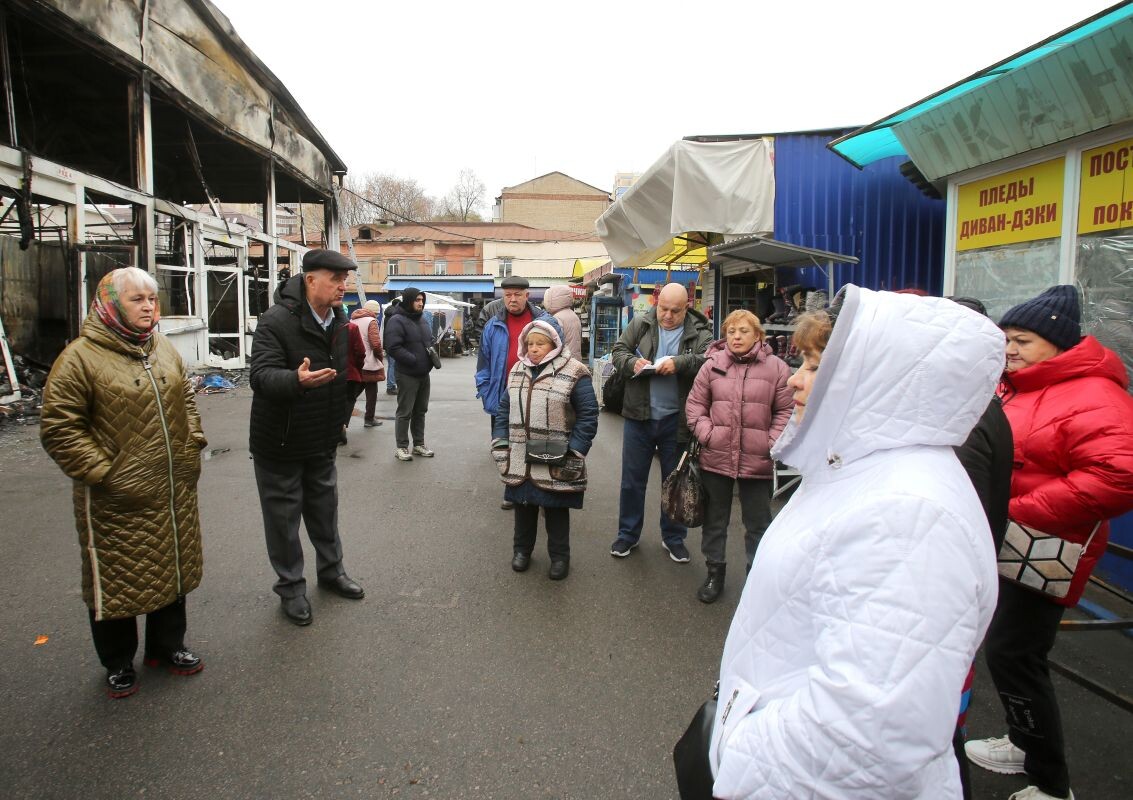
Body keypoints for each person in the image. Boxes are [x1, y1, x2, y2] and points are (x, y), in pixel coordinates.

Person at [709, 286, 1005, 798]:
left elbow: (868, 739)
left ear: (876, 378)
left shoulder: (909, 514)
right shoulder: (864, 468)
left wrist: (738, 760)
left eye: (814, 365)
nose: (796, 380)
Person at [965, 285, 1133, 800]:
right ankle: (1024, 744)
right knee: (1006, 651)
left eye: (1023, 340)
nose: (1010, 349)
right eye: (1006, 339)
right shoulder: (1019, 384)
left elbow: (1118, 475)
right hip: (1009, 541)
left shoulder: (1094, 393)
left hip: (1044, 548)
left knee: (1017, 655)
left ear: (1059, 345)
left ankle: (1052, 781)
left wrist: (1013, 508)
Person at [40, 267, 207, 698]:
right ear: (110, 303)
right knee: (117, 578)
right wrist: (107, 474)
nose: (149, 307)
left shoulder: (162, 348)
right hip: (115, 498)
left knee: (171, 566)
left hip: (171, 488)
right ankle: (117, 661)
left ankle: (167, 648)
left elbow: (185, 397)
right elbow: (60, 428)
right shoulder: (80, 357)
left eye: (152, 299)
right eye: (137, 299)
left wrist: (193, 444)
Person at [249, 248, 365, 627]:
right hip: (280, 441)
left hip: (321, 438)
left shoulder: (339, 321)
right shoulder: (276, 321)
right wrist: (294, 380)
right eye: (336, 279)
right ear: (310, 280)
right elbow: (261, 376)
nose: (342, 286)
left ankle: (331, 573)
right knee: (284, 522)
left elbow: (344, 375)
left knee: (324, 512)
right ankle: (291, 589)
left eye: (344, 279)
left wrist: (340, 420)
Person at [946, 295, 1016, 800]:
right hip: (965, 585)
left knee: (942, 726)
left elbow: (957, 527)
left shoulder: (964, 419)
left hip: (950, 595)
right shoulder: (979, 404)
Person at [684, 309, 792, 603]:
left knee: (758, 523)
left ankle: (755, 578)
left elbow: (786, 410)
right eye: (731, 331)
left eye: (744, 331)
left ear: (758, 335)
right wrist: (709, 434)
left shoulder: (777, 368)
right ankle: (714, 573)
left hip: (757, 460)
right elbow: (695, 406)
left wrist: (769, 442)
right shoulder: (712, 366)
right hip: (715, 459)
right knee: (715, 520)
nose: (736, 337)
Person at [608, 282, 711, 563]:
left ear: (687, 306)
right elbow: (618, 351)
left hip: (676, 420)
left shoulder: (700, 330)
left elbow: (708, 361)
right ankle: (627, 535)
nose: (667, 316)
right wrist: (632, 364)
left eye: (675, 311)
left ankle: (673, 538)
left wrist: (680, 363)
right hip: (639, 416)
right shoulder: (640, 323)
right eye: (663, 308)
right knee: (632, 481)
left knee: (676, 481)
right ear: (656, 302)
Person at [492, 320, 598, 580]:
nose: (534, 349)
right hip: (520, 457)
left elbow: (589, 415)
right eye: (530, 344)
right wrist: (500, 442)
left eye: (540, 343)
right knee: (523, 506)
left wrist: (576, 451)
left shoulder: (575, 371)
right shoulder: (517, 370)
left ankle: (560, 558)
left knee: (556, 510)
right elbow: (504, 410)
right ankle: (522, 551)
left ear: (555, 343)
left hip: (558, 457)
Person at [475, 275, 561, 509]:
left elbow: (560, 356)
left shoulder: (545, 323)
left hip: (537, 392)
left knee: (539, 442)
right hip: (504, 395)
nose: (512, 300)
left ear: (527, 295)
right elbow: (483, 362)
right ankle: (512, 490)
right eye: (507, 295)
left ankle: (543, 492)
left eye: (517, 295)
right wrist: (484, 389)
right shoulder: (493, 325)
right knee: (507, 445)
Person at [383, 286, 437, 461]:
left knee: (420, 410)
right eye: (417, 300)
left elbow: (427, 340)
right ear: (408, 301)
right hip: (407, 373)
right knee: (405, 412)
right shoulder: (396, 320)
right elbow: (392, 347)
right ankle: (402, 447)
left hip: (423, 374)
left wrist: (429, 355)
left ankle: (419, 444)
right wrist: (413, 360)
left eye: (422, 300)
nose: (420, 303)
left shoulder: (422, 319)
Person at [347, 299, 386, 430]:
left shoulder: (352, 320)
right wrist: (380, 357)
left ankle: (342, 421)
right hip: (369, 362)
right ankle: (369, 419)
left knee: (353, 394)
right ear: (375, 311)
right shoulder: (371, 321)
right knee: (371, 392)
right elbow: (375, 343)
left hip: (355, 363)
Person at [542, 284, 582, 359]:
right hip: (575, 359)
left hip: (564, 360)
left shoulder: (557, 318)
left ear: (552, 300)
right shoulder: (573, 315)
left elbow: (555, 343)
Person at [382, 296, 399, 395]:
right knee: (393, 365)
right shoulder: (394, 315)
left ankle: (391, 385)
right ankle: (391, 386)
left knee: (391, 365)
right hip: (392, 344)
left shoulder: (388, 315)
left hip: (388, 344)